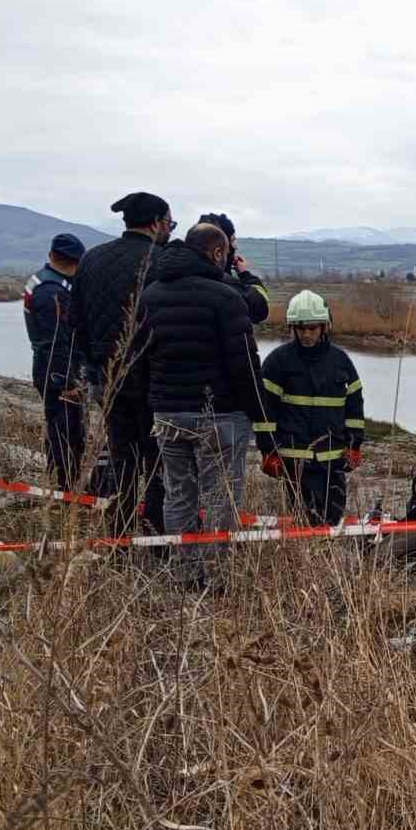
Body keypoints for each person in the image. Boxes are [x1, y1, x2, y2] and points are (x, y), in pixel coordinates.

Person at [130, 222, 266, 589]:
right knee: (221, 497)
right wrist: (260, 413)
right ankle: (217, 577)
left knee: (178, 495)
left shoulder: (150, 295)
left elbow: (137, 359)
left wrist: (152, 403)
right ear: (218, 253)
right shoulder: (226, 296)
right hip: (220, 414)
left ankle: (185, 573)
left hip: (168, 413)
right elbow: (244, 364)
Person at [70, 191, 175, 536]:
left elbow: (76, 322)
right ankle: (157, 534)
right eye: (170, 224)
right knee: (159, 460)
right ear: (156, 223)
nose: (170, 230)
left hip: (106, 379)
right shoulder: (162, 261)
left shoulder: (91, 259)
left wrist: (94, 367)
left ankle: (120, 533)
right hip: (153, 380)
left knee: (121, 456)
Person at [256, 290, 364, 526]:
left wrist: (354, 445)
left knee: (332, 520)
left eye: (312, 328)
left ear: (324, 326)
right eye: (301, 328)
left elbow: (355, 407)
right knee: (302, 521)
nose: (306, 334)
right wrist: (268, 451)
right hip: (294, 462)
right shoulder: (278, 361)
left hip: (333, 461)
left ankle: (325, 551)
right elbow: (264, 411)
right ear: (292, 328)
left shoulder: (340, 361)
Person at [22, 233, 86, 490]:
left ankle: (64, 482)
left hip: (48, 366)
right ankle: (66, 486)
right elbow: (56, 342)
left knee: (63, 428)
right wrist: (66, 381)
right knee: (66, 432)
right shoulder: (52, 291)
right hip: (55, 370)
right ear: (76, 262)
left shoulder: (43, 280)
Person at [196, 212, 271, 327]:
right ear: (218, 250)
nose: (235, 246)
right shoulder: (225, 285)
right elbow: (260, 308)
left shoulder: (172, 276)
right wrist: (245, 275)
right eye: (232, 241)